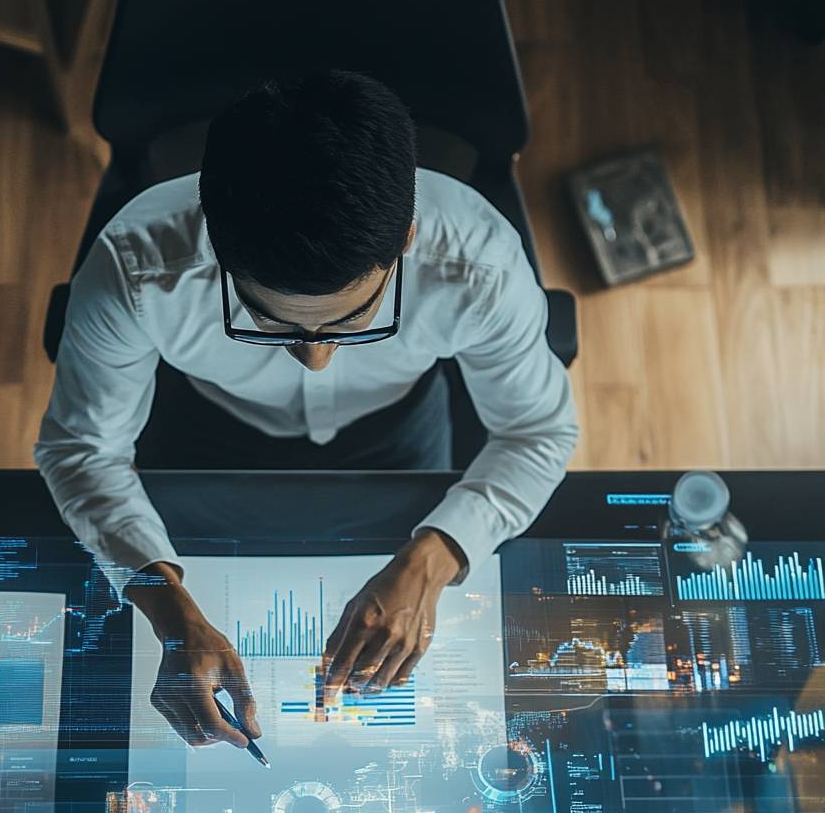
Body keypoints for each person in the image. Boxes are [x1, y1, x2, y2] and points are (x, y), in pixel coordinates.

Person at [35, 70, 578, 750]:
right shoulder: (136, 267)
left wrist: (434, 558)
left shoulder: (478, 264)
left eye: (353, 322)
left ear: (405, 240)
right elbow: (83, 451)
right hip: (204, 425)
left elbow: (539, 429)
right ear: (219, 255)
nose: (316, 359)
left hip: (396, 427)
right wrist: (170, 612)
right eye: (270, 323)